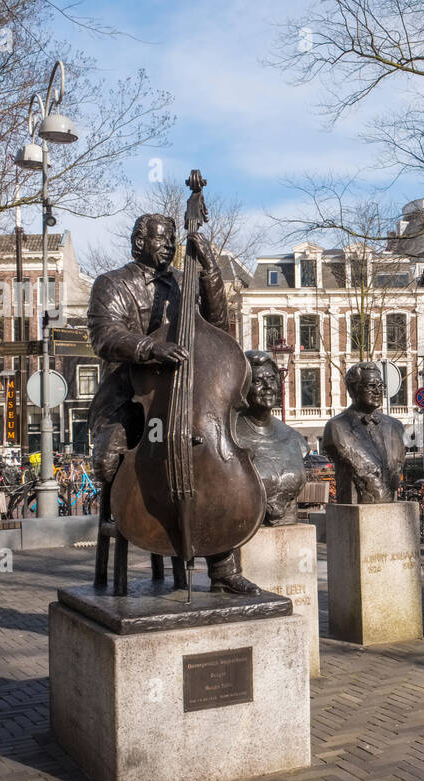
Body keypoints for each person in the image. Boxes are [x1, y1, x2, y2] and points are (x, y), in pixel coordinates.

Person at [86, 211, 257, 594]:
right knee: (109, 459)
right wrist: (150, 349)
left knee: (207, 461)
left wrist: (208, 266)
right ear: (138, 243)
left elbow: (216, 322)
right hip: (130, 397)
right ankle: (129, 533)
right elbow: (105, 334)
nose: (168, 244)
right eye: (160, 238)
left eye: (171, 239)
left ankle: (222, 568)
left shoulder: (183, 283)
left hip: (185, 398)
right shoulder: (112, 284)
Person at [236, 351, 309, 525]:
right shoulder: (229, 436)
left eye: (271, 379)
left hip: (289, 528)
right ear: (243, 388)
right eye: (258, 381)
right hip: (247, 529)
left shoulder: (295, 439)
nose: (268, 386)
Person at [322, 363, 407, 503]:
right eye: (371, 386)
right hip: (357, 507)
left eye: (381, 386)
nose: (378, 391)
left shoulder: (396, 427)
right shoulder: (336, 427)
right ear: (352, 390)